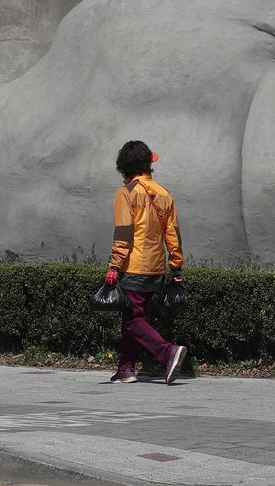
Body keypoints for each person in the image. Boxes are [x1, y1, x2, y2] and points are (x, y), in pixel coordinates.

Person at [104, 140, 187, 384]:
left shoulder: (127, 193)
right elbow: (173, 234)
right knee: (133, 317)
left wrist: (114, 265)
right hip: (157, 267)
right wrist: (176, 266)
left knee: (132, 320)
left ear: (124, 167)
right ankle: (125, 369)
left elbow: (124, 232)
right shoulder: (164, 193)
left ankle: (167, 352)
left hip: (134, 265)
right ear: (148, 164)